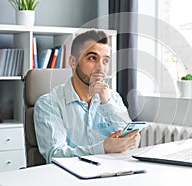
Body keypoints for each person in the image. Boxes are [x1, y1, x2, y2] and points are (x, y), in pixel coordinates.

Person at [34, 29, 139, 163]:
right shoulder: (48, 104)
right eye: (92, 58)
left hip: (111, 174)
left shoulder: (113, 98)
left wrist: (107, 103)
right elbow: (55, 156)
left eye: (105, 61)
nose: (101, 68)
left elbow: (132, 143)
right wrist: (103, 148)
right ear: (73, 62)